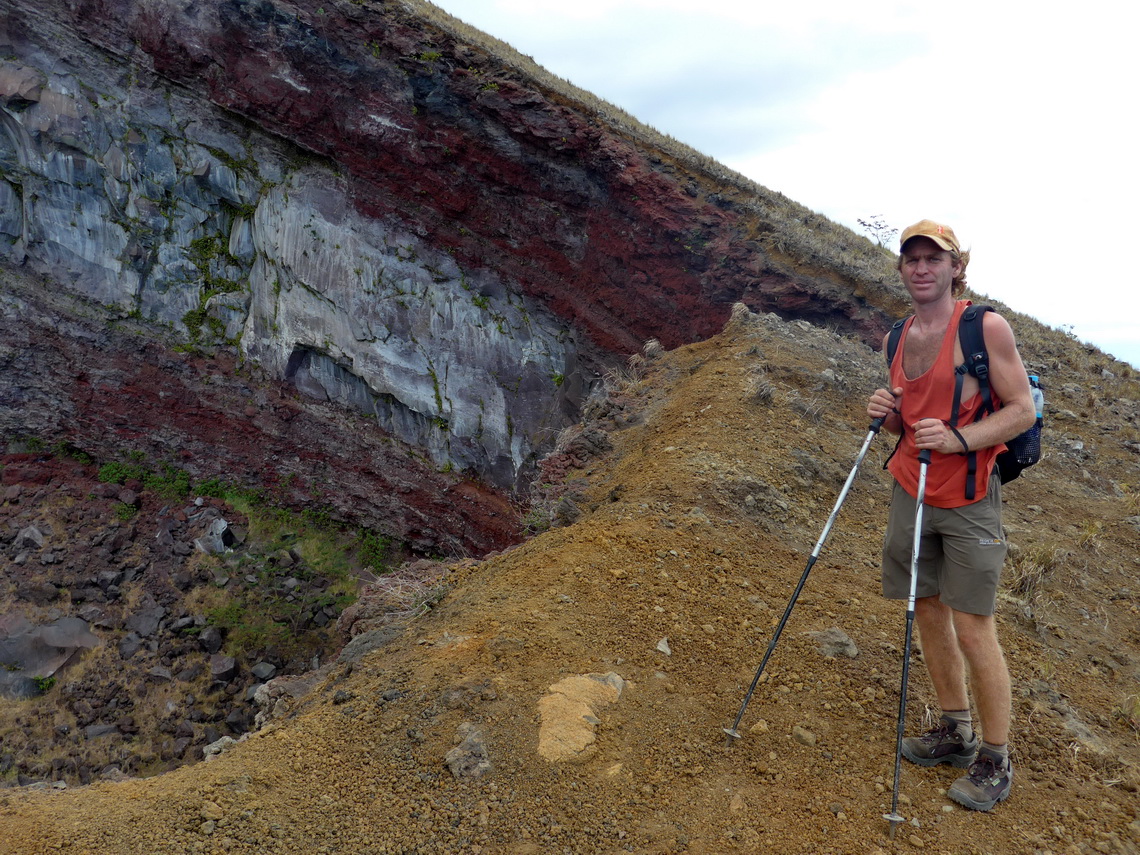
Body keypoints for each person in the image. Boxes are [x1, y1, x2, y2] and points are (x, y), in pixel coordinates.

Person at [866, 219, 1035, 812]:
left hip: (967, 498)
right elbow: (905, 422)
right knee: (927, 610)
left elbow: (1020, 412)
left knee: (972, 625)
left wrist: (961, 440)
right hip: (909, 490)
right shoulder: (896, 336)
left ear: (955, 267)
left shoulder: (984, 327)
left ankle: (995, 758)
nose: (921, 267)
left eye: (933, 258)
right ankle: (954, 730)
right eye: (911, 259)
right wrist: (885, 412)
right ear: (902, 269)